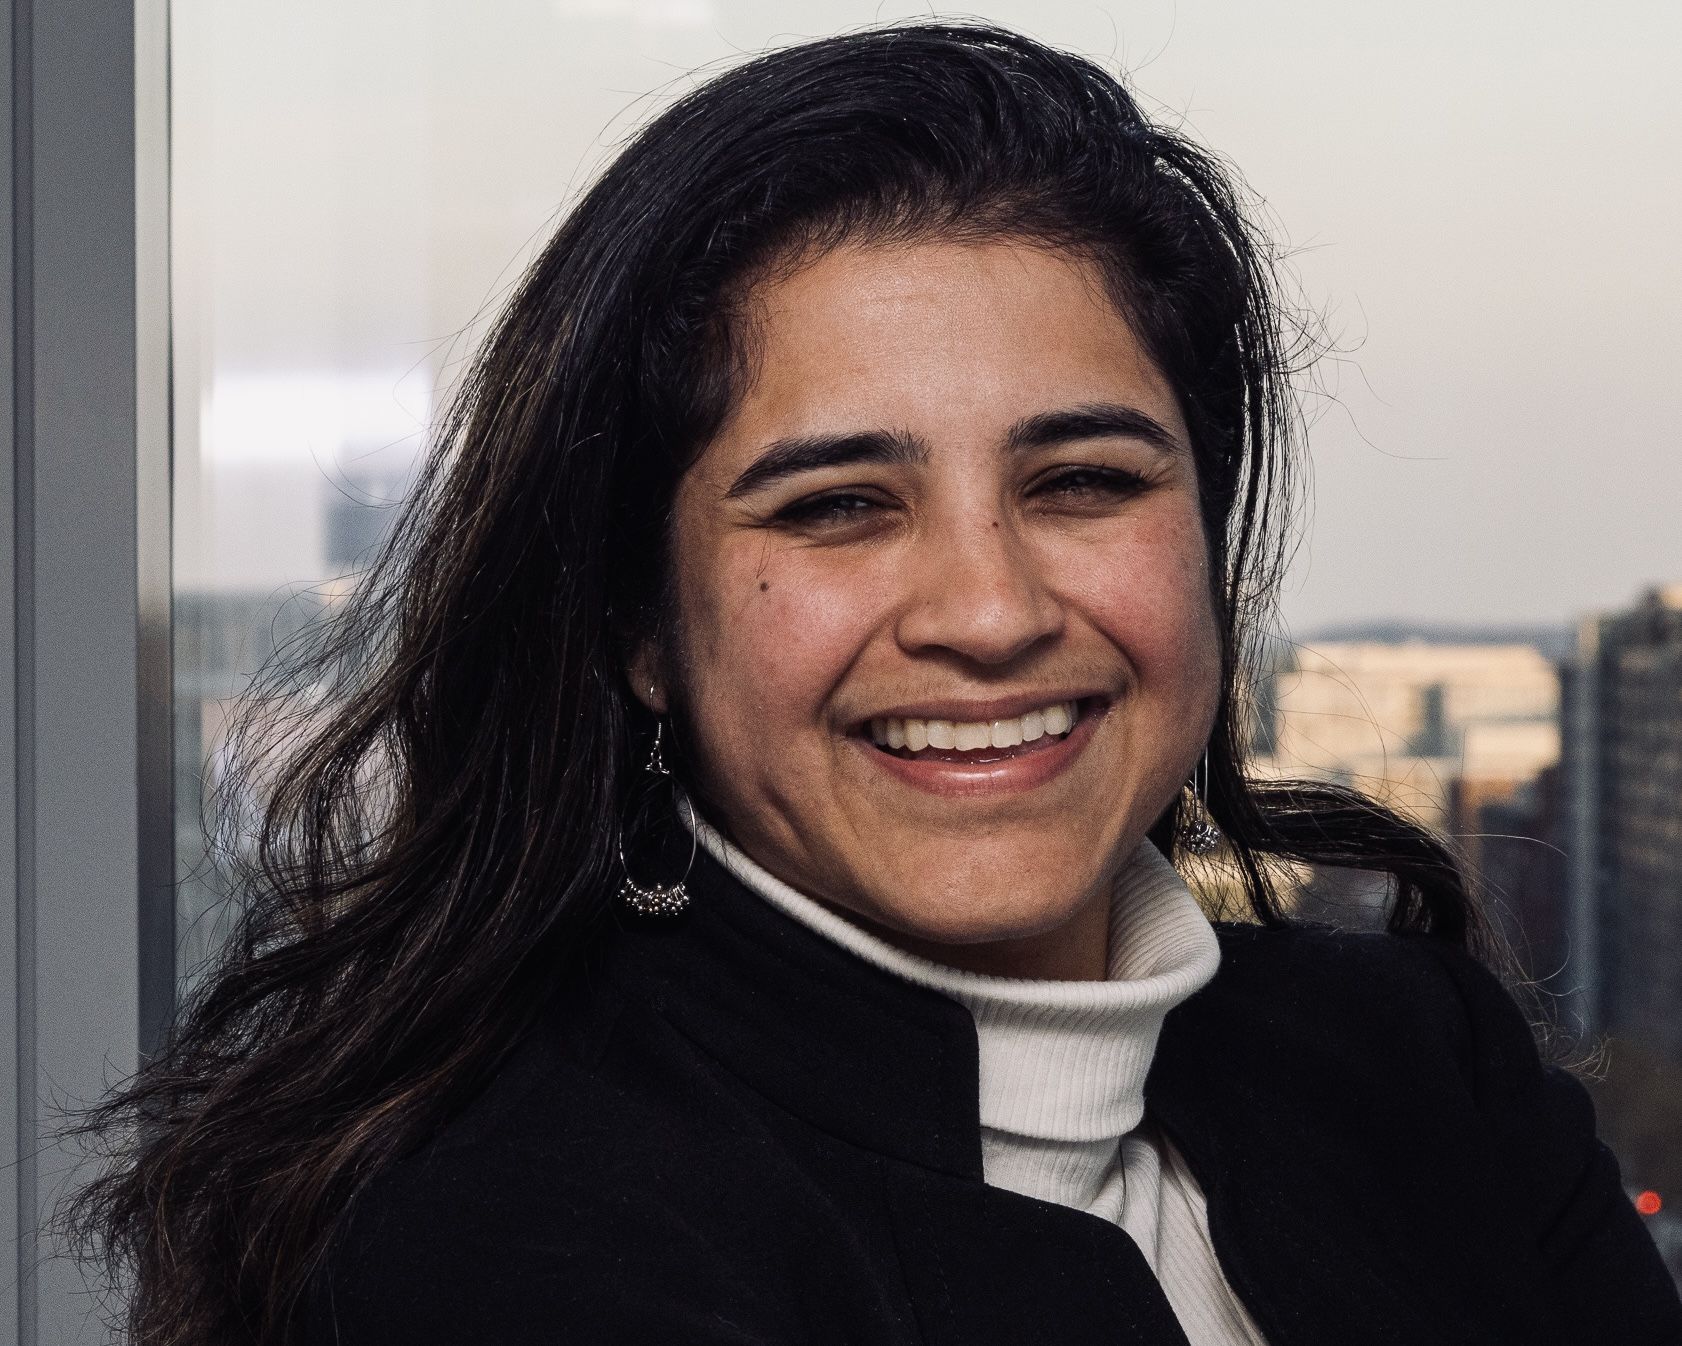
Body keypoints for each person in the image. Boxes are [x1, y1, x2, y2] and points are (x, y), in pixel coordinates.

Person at [70, 20, 1682, 1346]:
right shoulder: (508, 1246)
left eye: (1081, 481)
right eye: (839, 505)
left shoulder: (1410, 1059)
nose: (988, 610)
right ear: (640, 622)